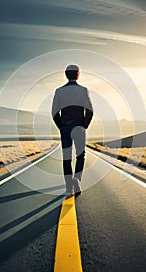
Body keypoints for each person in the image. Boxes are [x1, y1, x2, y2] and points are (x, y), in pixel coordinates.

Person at [52, 64, 93, 197]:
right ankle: (77, 180)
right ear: (78, 74)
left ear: (66, 74)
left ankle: (69, 187)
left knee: (66, 158)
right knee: (80, 155)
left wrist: (61, 126)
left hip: (65, 128)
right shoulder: (83, 90)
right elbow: (90, 111)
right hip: (79, 128)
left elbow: (54, 112)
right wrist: (84, 126)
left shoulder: (59, 91)